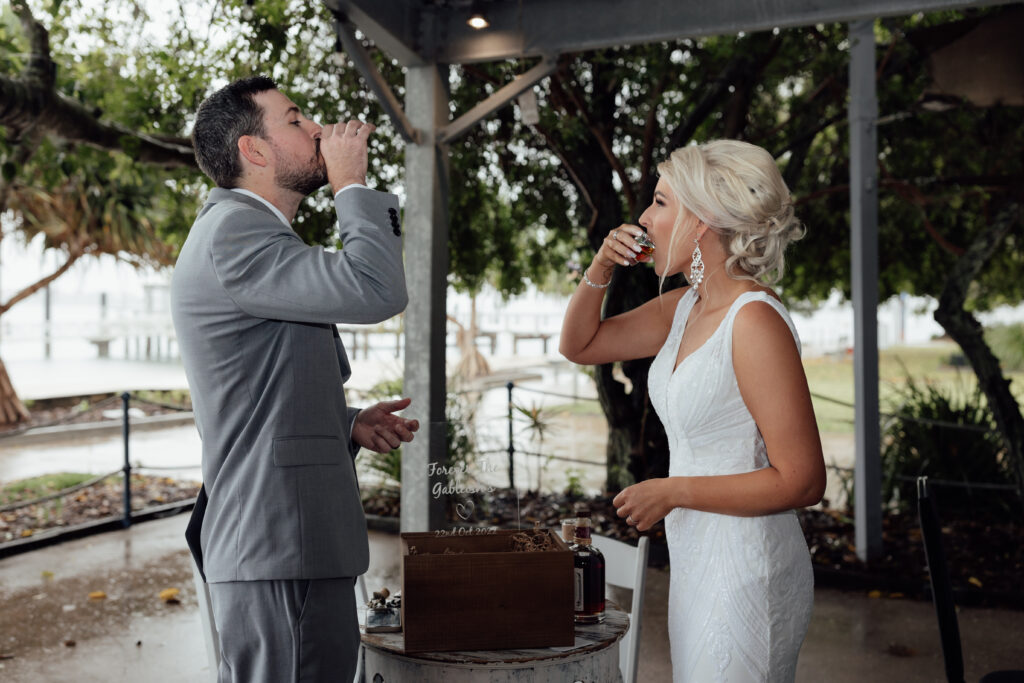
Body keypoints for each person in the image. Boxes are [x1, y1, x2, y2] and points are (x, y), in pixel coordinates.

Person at [170, 76, 418, 683]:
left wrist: (350, 423)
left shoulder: (258, 238)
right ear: (254, 150)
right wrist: (351, 184)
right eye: (295, 118)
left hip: (285, 540)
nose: (315, 129)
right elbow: (377, 289)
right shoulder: (235, 233)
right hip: (278, 541)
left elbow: (261, 392)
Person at [559, 139, 826, 682]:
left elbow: (802, 481)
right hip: (695, 558)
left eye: (660, 203)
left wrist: (673, 490)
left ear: (702, 220)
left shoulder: (753, 320)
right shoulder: (683, 307)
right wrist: (600, 266)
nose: (644, 219)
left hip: (749, 565)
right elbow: (580, 345)